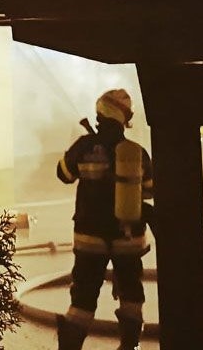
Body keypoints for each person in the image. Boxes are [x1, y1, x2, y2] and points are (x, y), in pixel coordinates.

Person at [55, 89, 155, 350]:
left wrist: (83, 152)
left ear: (100, 114)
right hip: (128, 236)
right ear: (125, 118)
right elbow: (151, 189)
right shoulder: (137, 152)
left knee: (84, 295)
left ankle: (70, 346)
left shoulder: (84, 145)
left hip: (90, 237)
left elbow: (63, 174)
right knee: (131, 292)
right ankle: (130, 345)